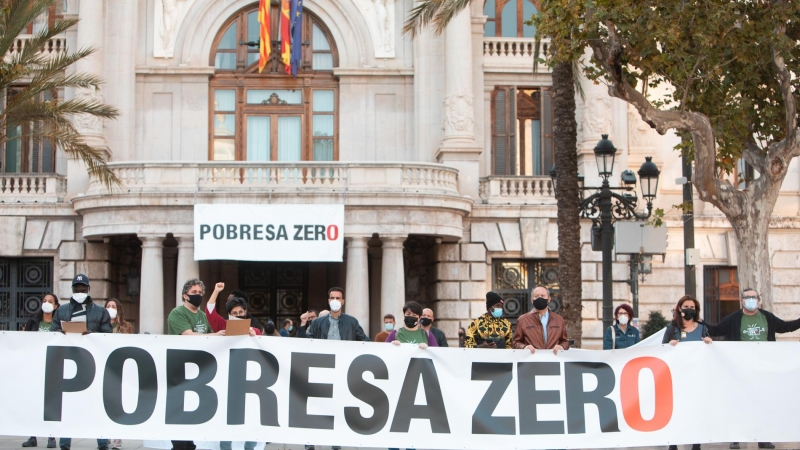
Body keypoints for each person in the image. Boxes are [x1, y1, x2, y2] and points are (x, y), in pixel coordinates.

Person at [702, 288, 800, 450]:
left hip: (763, 368)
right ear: (742, 301)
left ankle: (763, 438)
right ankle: (735, 437)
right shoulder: (733, 319)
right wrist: (698, 323)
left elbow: (786, 327)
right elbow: (715, 330)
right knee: (739, 401)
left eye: (754, 297)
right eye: (747, 297)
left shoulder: (767, 317)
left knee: (762, 402)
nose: (751, 300)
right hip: (739, 367)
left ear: (759, 300)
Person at [49, 275, 111, 450]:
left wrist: (91, 335)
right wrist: (62, 332)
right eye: (77, 288)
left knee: (96, 403)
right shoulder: (61, 311)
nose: (80, 291)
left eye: (83, 288)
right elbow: (52, 334)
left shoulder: (101, 311)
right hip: (68, 362)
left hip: (93, 362)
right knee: (67, 404)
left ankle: (102, 442)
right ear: (72, 289)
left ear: (88, 289)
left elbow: (108, 334)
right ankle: (65, 443)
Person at [168, 279, 226, 450]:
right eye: (194, 293)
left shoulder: (202, 316)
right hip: (179, 371)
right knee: (179, 413)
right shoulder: (177, 313)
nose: (198, 296)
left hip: (197, 371)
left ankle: (189, 444)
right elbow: (187, 334)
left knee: (192, 410)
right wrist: (216, 336)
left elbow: (208, 337)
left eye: (200, 293)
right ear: (184, 295)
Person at [661, 295, 710, 450]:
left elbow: (708, 351)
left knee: (696, 410)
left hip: (696, 377)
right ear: (680, 309)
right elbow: (661, 350)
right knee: (676, 410)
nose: (690, 310)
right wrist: (669, 345)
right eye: (687, 307)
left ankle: (696, 443)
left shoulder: (702, 328)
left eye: (693, 308)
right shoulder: (672, 328)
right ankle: (673, 443)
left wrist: (709, 343)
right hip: (677, 377)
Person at [22, 293, 59, 449]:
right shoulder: (33, 322)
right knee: (34, 401)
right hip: (35, 366)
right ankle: (33, 436)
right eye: (44, 301)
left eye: (50, 301)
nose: (46, 303)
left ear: (56, 306)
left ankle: (51, 437)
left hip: (52, 366)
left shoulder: (59, 323)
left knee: (50, 403)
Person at [513, 285, 569, 354]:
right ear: (531, 300)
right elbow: (515, 342)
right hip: (532, 361)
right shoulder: (523, 320)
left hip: (553, 360)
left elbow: (565, 341)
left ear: (549, 299)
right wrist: (524, 347)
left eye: (542, 296)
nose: (539, 298)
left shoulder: (559, 319)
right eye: (536, 296)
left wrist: (562, 347)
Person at [305, 287, 369, 341]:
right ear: (329, 301)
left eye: (338, 298)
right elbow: (308, 341)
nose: (335, 300)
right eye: (332, 298)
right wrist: (302, 326)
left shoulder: (352, 322)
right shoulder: (317, 322)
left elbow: (364, 341)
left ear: (342, 302)